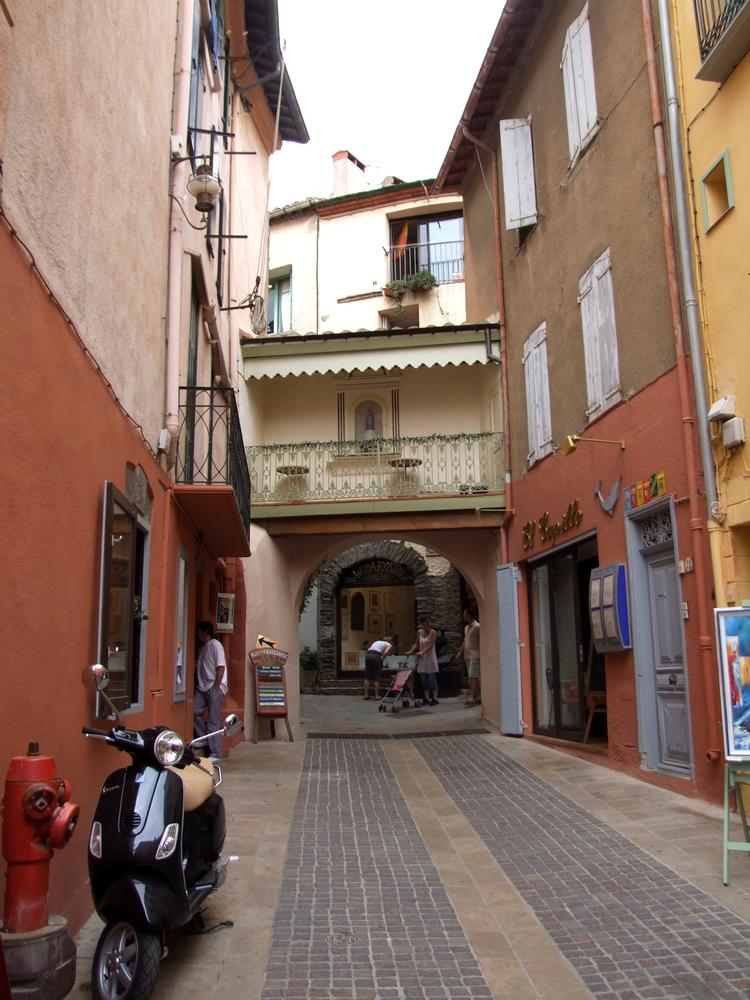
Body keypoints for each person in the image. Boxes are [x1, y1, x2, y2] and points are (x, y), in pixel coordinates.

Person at [194, 620, 228, 762]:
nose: (196, 634)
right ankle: (203, 738)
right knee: (193, 710)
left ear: (205, 632)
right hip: (203, 688)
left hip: (214, 687)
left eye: (198, 631)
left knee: (214, 720)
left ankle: (215, 753)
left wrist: (216, 687)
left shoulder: (215, 645)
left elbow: (221, 667)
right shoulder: (203, 647)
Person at [407, 616, 439, 707]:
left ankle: (435, 698)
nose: (429, 624)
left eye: (430, 622)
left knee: (431, 678)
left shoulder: (433, 632)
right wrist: (411, 651)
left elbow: (430, 645)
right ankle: (426, 698)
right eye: (427, 622)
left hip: (430, 658)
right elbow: (417, 644)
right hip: (422, 659)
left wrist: (422, 652)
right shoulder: (419, 632)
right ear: (423, 624)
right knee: (424, 679)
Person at [454, 607, 480, 706]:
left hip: (475, 655)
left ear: (469, 615)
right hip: (467, 656)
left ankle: (472, 697)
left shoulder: (477, 627)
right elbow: (465, 642)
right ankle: (478, 696)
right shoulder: (466, 627)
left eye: (464, 614)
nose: (463, 615)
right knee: (473, 677)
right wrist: (459, 653)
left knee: (472, 676)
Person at [364, 635, 392, 700]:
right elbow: (386, 652)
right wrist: (381, 660)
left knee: (367, 676)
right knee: (376, 677)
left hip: (368, 655)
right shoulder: (389, 644)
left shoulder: (377, 641)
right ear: (389, 641)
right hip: (376, 656)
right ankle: (376, 696)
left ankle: (366, 695)